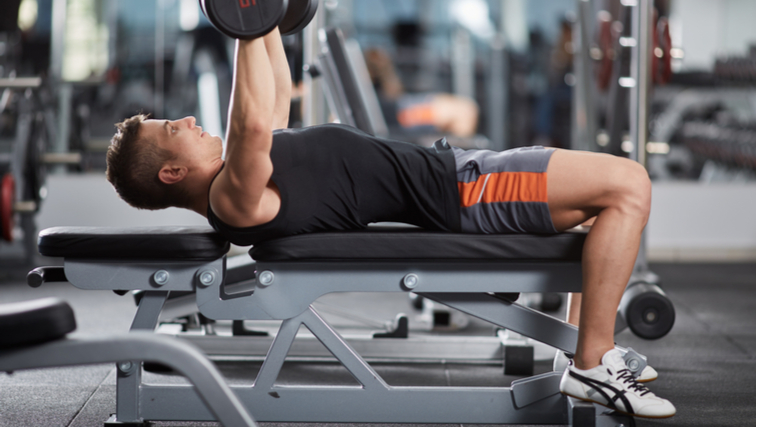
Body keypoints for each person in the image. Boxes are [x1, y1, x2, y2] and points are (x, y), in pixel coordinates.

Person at [105, 28, 675, 419]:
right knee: (628, 185)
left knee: (607, 206)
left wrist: (268, 24)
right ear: (174, 171)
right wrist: (246, 24)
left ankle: (586, 352)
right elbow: (251, 122)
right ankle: (593, 363)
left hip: (463, 176)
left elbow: (271, 95)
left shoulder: (244, 174)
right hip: (466, 190)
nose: (185, 118)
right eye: (171, 128)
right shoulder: (234, 199)